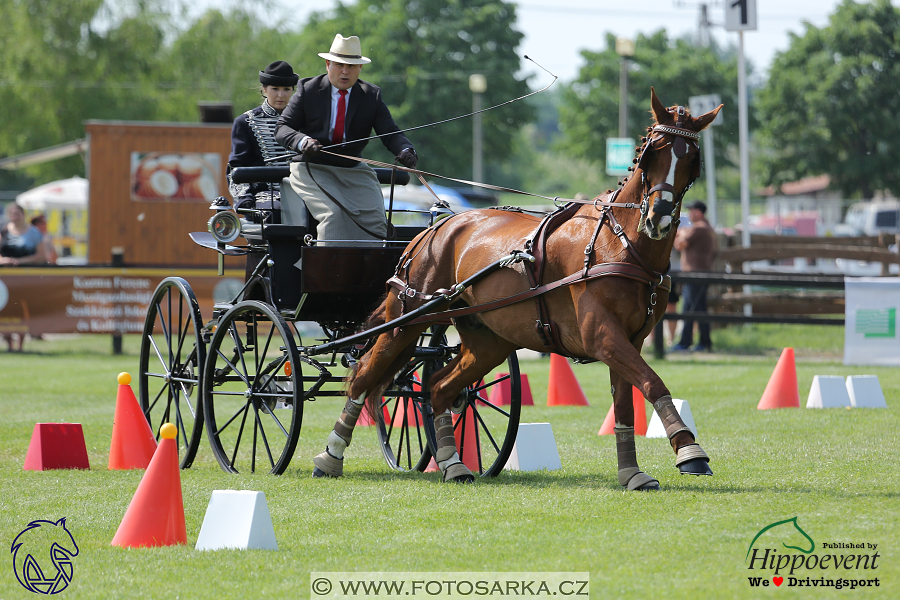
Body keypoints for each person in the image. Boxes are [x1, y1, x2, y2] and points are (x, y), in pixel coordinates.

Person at [274, 34, 418, 241]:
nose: (345, 71)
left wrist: (405, 149)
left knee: (377, 219)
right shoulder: (308, 90)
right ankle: (330, 272)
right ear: (327, 64)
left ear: (360, 69)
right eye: (339, 65)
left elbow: (390, 133)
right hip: (311, 168)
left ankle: (372, 272)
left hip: (353, 171)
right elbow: (282, 128)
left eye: (351, 66)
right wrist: (303, 141)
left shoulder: (371, 96)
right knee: (334, 215)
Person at [228, 60, 299, 211]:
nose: (281, 95)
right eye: (275, 89)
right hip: (264, 195)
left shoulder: (304, 120)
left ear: (293, 91)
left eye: (286, 89)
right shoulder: (245, 122)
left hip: (303, 191)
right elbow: (237, 166)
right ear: (264, 90)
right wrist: (245, 197)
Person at [671, 200, 717, 352]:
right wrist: (683, 232)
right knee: (696, 309)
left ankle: (688, 343)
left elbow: (678, 245)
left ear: (698, 212)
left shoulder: (698, 229)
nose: (690, 214)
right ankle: (700, 342)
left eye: (691, 210)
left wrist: (680, 233)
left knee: (690, 310)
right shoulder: (707, 228)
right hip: (700, 274)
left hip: (694, 275)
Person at [0, 202, 48, 266]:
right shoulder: (3, 230)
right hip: (5, 272)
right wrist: (2, 260)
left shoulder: (34, 232)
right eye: (12, 214)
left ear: (23, 214)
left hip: (28, 272)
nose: (15, 217)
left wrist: (19, 261)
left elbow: (42, 256)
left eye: (17, 214)